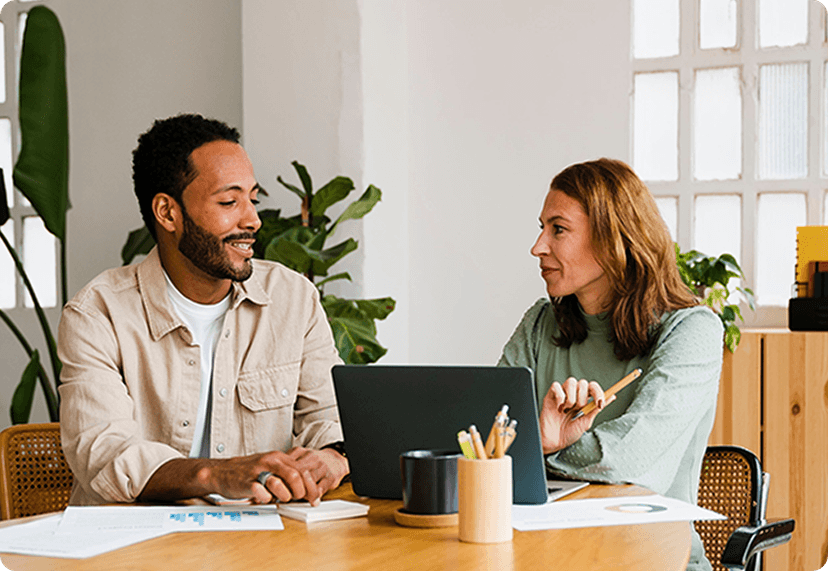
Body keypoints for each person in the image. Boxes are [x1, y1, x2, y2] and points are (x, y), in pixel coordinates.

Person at [58, 113, 348, 507]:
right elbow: (107, 456)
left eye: (252, 199)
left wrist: (331, 459)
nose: (253, 220)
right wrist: (219, 474)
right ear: (168, 213)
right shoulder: (97, 313)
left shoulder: (293, 298)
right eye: (229, 202)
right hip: (137, 553)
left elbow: (331, 421)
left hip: (262, 545)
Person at [498, 158, 723, 571]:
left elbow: (630, 459)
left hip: (653, 559)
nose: (538, 247)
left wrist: (541, 447)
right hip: (541, 556)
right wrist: (521, 446)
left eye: (558, 229)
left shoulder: (692, 330)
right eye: (542, 227)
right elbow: (486, 437)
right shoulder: (538, 323)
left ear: (612, 239)